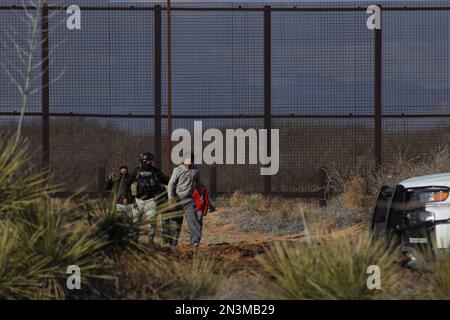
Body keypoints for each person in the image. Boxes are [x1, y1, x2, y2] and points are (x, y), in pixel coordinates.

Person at [130, 152, 170, 245]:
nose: (148, 162)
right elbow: (127, 183)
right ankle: (133, 241)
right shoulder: (136, 171)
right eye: (146, 160)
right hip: (137, 200)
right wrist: (130, 198)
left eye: (150, 160)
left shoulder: (155, 171)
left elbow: (166, 180)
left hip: (151, 200)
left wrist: (175, 180)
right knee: (135, 221)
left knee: (152, 221)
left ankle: (151, 241)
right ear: (142, 160)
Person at [167, 153, 204, 247]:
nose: (189, 160)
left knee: (194, 220)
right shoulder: (178, 170)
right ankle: (172, 243)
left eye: (191, 158)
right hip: (177, 199)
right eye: (186, 158)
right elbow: (170, 184)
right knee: (175, 222)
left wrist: (201, 196)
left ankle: (195, 242)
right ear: (183, 160)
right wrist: (170, 199)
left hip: (189, 200)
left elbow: (198, 184)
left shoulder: (195, 170)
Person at [105, 165, 135, 239]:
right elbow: (107, 188)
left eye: (125, 171)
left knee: (131, 223)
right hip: (119, 205)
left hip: (130, 204)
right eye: (122, 172)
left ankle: (131, 238)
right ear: (120, 172)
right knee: (120, 222)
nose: (124, 173)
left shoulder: (132, 182)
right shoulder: (117, 182)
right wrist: (109, 179)